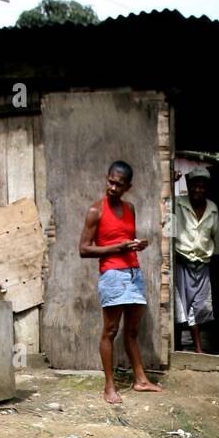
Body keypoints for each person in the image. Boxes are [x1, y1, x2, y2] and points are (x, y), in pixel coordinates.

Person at [79, 160, 161, 405]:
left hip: (133, 272)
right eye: (110, 182)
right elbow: (83, 249)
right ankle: (109, 386)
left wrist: (138, 245)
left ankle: (140, 380)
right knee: (110, 331)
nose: (113, 187)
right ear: (107, 179)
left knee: (132, 331)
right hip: (113, 275)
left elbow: (126, 238)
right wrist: (119, 247)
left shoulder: (130, 209)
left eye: (119, 184)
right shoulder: (96, 211)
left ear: (128, 187)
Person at [174, 165, 219, 354]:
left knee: (199, 307)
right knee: (180, 306)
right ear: (188, 185)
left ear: (206, 188)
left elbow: (216, 237)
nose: (197, 190)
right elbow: (167, 225)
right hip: (181, 261)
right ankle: (184, 348)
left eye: (202, 186)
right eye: (194, 186)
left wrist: (214, 257)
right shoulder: (178, 204)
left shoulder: (212, 209)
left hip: (202, 264)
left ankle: (197, 349)